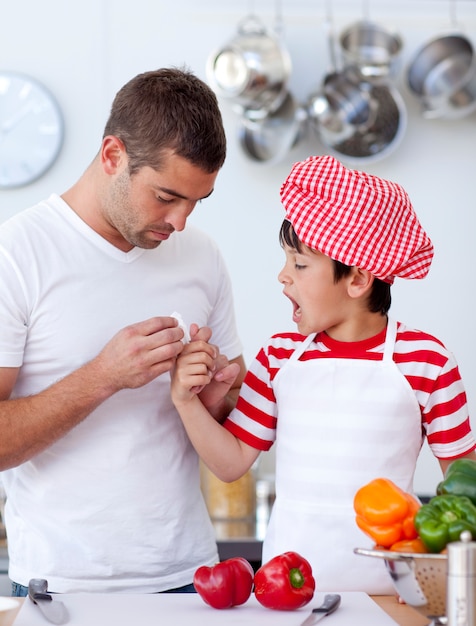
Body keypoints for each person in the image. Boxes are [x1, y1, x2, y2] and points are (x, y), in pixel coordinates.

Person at [171, 154, 476, 594]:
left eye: (299, 264)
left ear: (357, 279)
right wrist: (185, 400)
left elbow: (464, 484)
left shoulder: (425, 360)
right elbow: (230, 463)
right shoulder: (280, 355)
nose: (282, 277)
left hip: (392, 595)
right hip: (286, 591)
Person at [0, 67, 247, 595]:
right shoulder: (16, 254)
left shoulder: (202, 256)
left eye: (196, 202)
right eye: (166, 196)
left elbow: (225, 424)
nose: (180, 222)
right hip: (61, 584)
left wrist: (218, 398)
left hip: (191, 579)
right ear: (113, 156)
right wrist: (103, 376)